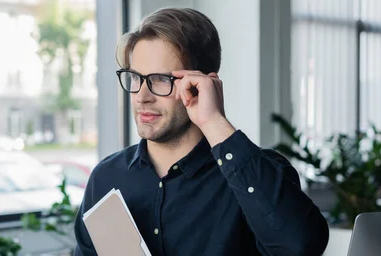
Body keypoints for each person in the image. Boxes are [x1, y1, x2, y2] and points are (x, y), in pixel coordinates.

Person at [73, 7, 329, 256]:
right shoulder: (105, 178)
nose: (142, 96)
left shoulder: (258, 175)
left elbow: (301, 247)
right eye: (135, 77)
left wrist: (214, 121)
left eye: (161, 79)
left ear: (200, 84)